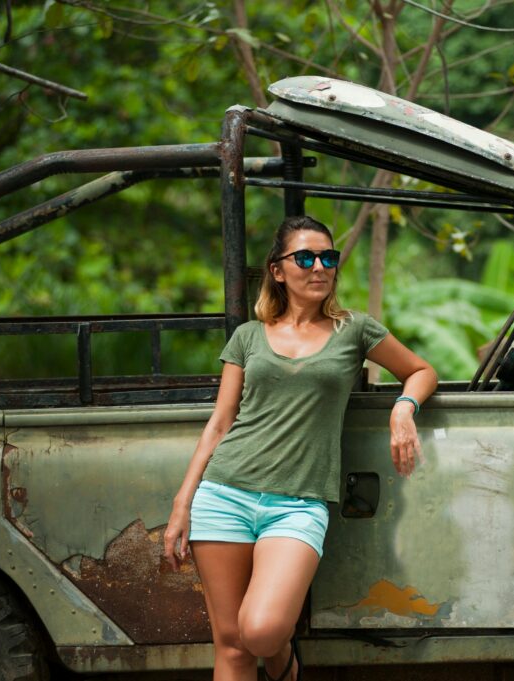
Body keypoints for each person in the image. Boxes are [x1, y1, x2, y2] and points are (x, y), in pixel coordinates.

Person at [163, 215, 437, 681]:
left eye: (328, 257)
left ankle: (283, 658)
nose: (319, 267)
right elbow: (221, 423)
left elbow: (420, 370)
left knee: (263, 630)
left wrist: (402, 410)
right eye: (305, 257)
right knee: (231, 647)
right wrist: (181, 503)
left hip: (299, 504)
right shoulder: (248, 336)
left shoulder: (354, 329)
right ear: (277, 270)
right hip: (225, 492)